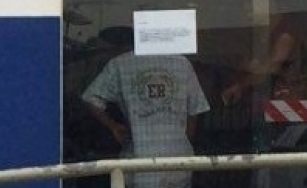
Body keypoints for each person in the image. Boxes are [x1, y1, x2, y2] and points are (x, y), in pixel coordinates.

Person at [82, 51, 211, 188]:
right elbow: (194, 110)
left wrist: (113, 126)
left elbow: (90, 98)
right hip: (177, 164)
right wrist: (182, 139)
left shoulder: (120, 64)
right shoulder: (182, 64)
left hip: (137, 164)